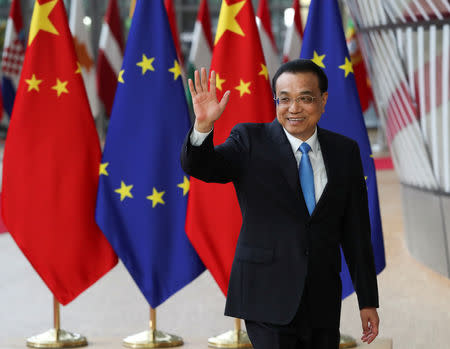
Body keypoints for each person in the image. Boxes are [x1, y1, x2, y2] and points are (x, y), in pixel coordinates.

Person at [181, 59, 379, 349]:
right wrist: (203, 125)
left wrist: (367, 301)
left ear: (323, 100)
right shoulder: (249, 140)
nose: (293, 108)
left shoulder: (344, 151)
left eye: (305, 98)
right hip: (266, 297)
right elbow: (202, 166)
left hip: (322, 301)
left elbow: (357, 233)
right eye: (284, 99)